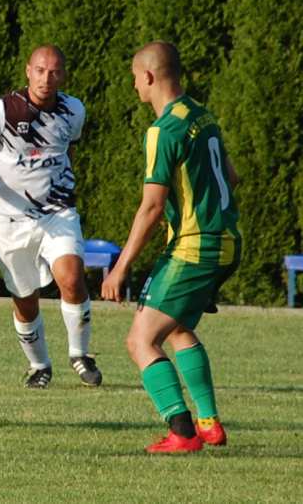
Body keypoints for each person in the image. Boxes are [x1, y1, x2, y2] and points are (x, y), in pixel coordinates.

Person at [101, 41, 241, 453]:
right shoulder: (203, 114)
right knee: (178, 328)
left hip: (195, 248)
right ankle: (209, 423)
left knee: (140, 341)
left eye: (134, 79)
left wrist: (120, 267)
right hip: (228, 241)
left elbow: (151, 207)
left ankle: (182, 431)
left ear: (148, 76)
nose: (134, 87)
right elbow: (232, 178)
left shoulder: (163, 130)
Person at [0, 45, 101, 389]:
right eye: (39, 71)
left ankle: (80, 354)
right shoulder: (2, 110)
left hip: (57, 211)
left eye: (54, 72)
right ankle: (39, 366)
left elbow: (66, 149)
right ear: (27, 71)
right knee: (24, 297)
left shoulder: (74, 110)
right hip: (10, 220)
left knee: (72, 277)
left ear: (63, 75)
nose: (46, 79)